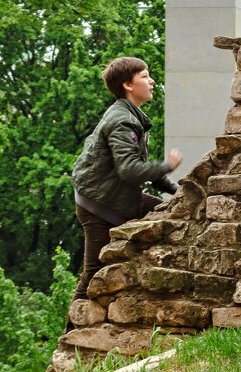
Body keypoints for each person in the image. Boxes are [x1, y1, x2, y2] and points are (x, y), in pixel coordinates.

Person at [70, 57, 182, 302]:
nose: (151, 81)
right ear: (128, 85)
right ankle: (69, 336)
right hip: (100, 204)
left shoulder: (130, 116)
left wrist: (177, 192)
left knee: (172, 213)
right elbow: (130, 169)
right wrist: (167, 166)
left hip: (114, 195)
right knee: (92, 271)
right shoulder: (123, 120)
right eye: (144, 76)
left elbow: (138, 165)